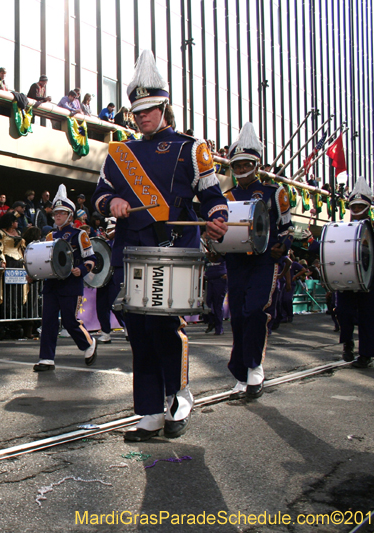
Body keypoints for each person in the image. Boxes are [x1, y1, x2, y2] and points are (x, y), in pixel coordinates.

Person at [92, 50, 228, 442]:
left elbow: (212, 196)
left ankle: (180, 393)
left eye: (150, 109)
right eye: (137, 111)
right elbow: (100, 195)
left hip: (173, 251)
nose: (143, 116)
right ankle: (149, 411)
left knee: (166, 329)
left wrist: (217, 218)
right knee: (139, 333)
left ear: (164, 107)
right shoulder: (120, 153)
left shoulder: (191, 148)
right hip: (131, 252)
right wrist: (111, 202)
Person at [220, 122, 293, 399]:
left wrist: (281, 247)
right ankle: (241, 374)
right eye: (236, 166)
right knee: (237, 316)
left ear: (257, 164)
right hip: (236, 263)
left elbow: (287, 229)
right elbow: (219, 231)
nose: (240, 170)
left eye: (245, 164)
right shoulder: (227, 197)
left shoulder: (276, 193)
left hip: (263, 263)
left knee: (254, 312)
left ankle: (255, 367)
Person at [31, 185, 97, 371]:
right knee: (49, 321)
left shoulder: (80, 235)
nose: (57, 216)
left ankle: (88, 343)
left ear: (70, 215)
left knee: (70, 321)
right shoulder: (51, 235)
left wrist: (81, 269)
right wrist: (34, 274)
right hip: (52, 285)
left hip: (71, 285)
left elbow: (92, 259)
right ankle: (46, 358)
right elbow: (45, 260)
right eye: (56, 213)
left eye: (62, 213)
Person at [331, 176, 374, 368]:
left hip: (370, 280)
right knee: (343, 312)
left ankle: (366, 355)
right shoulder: (342, 229)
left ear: (368, 206)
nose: (356, 210)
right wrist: (311, 243)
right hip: (347, 279)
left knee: (369, 317)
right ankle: (347, 342)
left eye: (360, 206)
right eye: (354, 207)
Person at [95, 218, 126, 343]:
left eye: (112, 229)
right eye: (108, 230)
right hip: (103, 278)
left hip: (115, 277)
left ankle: (126, 326)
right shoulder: (104, 243)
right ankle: (105, 331)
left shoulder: (120, 243)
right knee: (101, 306)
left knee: (117, 306)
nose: (109, 232)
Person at [203, 250, 227, 336]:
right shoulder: (207, 253)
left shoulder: (223, 251)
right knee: (208, 303)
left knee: (218, 304)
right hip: (209, 279)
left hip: (220, 279)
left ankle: (219, 328)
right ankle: (212, 321)